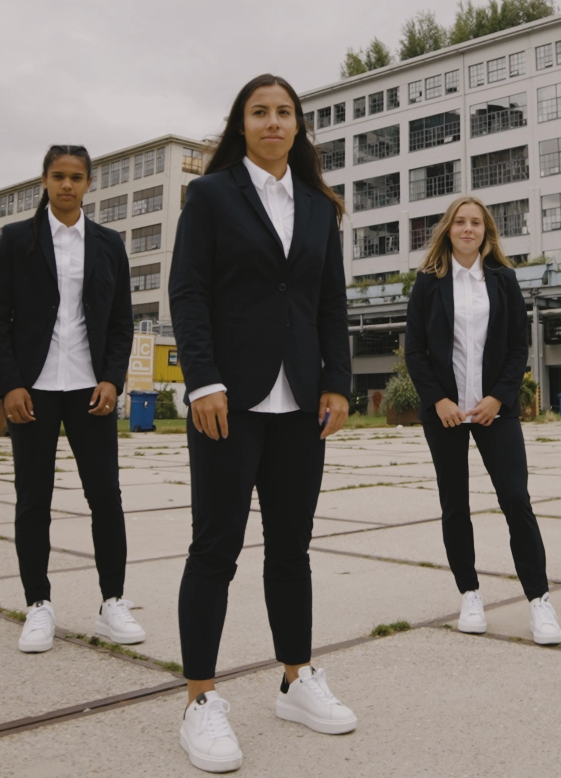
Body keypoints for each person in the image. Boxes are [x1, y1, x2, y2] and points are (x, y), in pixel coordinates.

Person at [169, 74, 357, 773]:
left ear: (298, 126)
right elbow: (187, 290)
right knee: (215, 549)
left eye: (284, 112)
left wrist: (337, 382)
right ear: (241, 124)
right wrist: (203, 380)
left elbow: (329, 304)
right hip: (229, 399)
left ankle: (296, 678)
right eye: (260, 112)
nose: (273, 121)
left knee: (292, 548)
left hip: (300, 404)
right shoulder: (212, 196)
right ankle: (200, 700)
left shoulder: (317, 207)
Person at [0, 145, 143, 655]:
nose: (67, 185)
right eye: (58, 176)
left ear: (90, 183)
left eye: (76, 177)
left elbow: (122, 322)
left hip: (89, 388)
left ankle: (112, 602)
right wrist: (8, 385)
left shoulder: (108, 243)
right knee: (34, 499)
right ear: (44, 181)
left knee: (106, 498)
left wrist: (113, 379)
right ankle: (38, 605)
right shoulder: (16, 240)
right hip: (33, 389)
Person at [403, 197, 561, 645]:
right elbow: (415, 349)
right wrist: (438, 401)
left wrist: (498, 397)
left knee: (516, 499)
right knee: (455, 504)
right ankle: (470, 594)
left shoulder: (504, 280)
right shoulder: (428, 283)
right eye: (461, 222)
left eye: (476, 223)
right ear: (448, 231)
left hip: (496, 411)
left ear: (486, 232)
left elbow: (517, 347)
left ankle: (539, 600)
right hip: (446, 414)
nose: (468, 229)